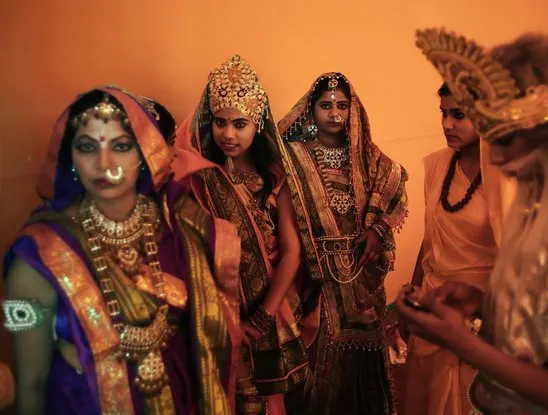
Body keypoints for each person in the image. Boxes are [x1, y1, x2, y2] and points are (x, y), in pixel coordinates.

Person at [397, 28, 548, 415]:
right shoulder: (543, 217)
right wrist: (481, 302)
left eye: (505, 140)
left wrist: (465, 344)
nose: (494, 159)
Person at [2, 86, 242, 414]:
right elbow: (31, 380)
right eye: (87, 147)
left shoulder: (181, 226)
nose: (105, 164)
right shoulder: (35, 255)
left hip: (178, 399)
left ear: (145, 154)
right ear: (69, 157)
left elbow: (204, 337)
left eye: (121, 146)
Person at [172, 55, 319, 415]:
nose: (228, 134)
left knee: (267, 404)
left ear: (258, 125)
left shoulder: (275, 177)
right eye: (220, 122)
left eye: (240, 124)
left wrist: (262, 317)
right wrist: (224, 319)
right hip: (218, 314)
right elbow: (191, 257)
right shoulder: (198, 180)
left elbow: (291, 253)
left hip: (272, 308)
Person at [277, 72, 409, 415]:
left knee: (364, 355)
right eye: (325, 105)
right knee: (317, 353)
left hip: (361, 271)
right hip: (313, 271)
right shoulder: (294, 156)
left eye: (341, 105)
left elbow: (396, 185)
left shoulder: (367, 155)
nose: (334, 113)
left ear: (353, 110)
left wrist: (379, 230)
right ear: (310, 110)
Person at [401, 82, 502, 415]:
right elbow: (430, 238)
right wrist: (415, 292)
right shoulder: (438, 166)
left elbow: (518, 256)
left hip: (483, 312)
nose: (446, 124)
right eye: (443, 113)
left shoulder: (506, 175)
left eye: (458, 115)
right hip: (434, 304)